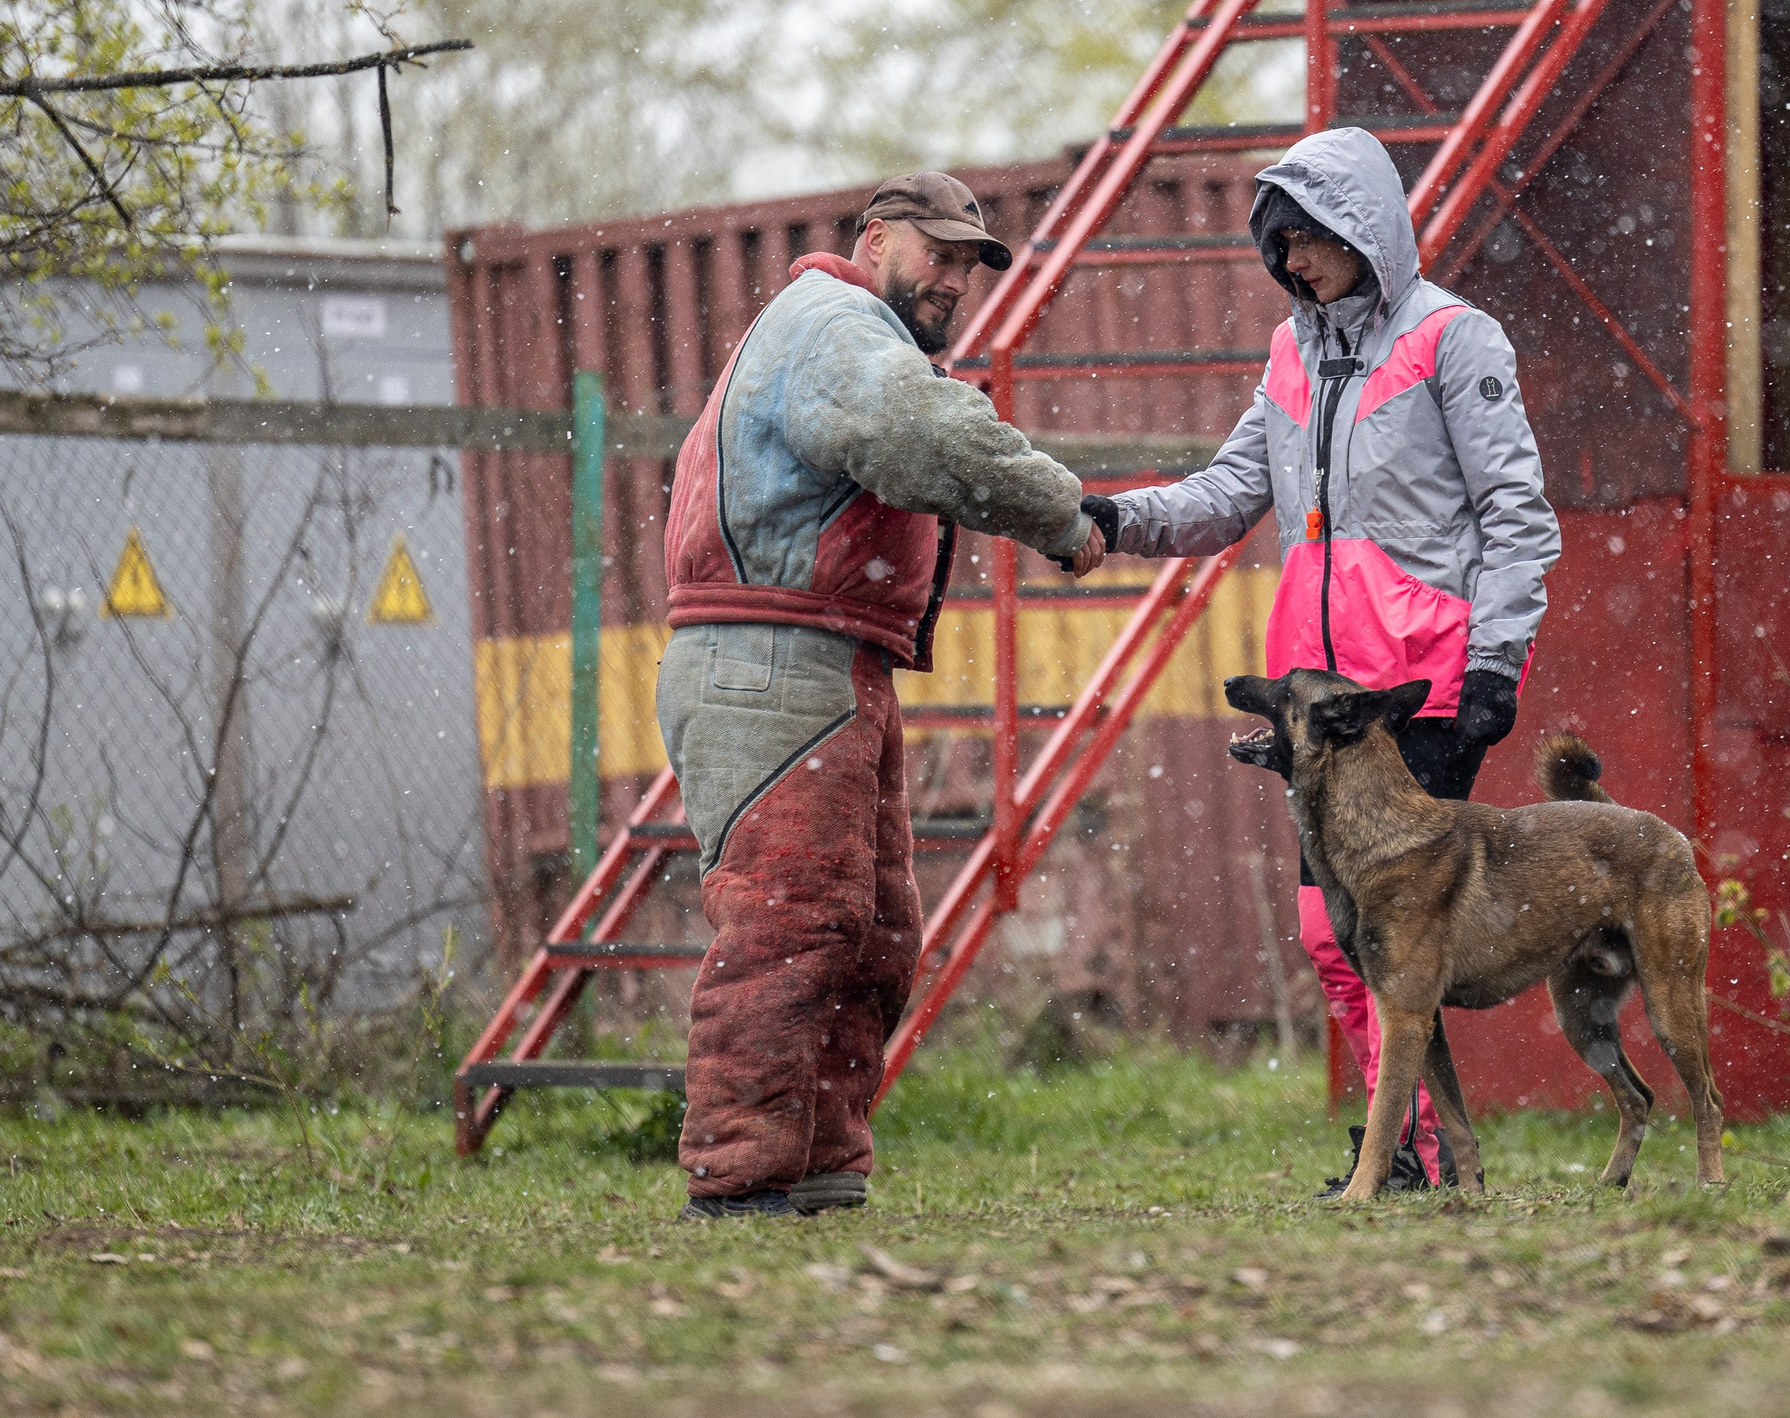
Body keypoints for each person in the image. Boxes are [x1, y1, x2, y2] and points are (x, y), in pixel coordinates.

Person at [1080, 126, 1560, 1191]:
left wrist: (1496, 662)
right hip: (1320, 711)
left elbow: (1515, 515)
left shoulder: (1453, 339)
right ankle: (1421, 1151)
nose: (1291, 258)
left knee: (1390, 941)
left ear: (1365, 230)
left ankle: (1415, 1156)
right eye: (1278, 240)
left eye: (1309, 237)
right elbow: (1223, 495)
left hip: (1422, 694)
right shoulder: (1291, 350)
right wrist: (1109, 518)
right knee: (1331, 933)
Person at [660, 171, 1105, 1221]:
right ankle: (743, 1173)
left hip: (824, 658)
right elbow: (926, 436)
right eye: (936, 253)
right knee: (791, 923)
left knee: (869, 931)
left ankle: (813, 1162)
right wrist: (1060, 513)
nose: (952, 279)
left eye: (966, 264)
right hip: (771, 657)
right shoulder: (837, 324)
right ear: (873, 242)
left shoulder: (838, 328)